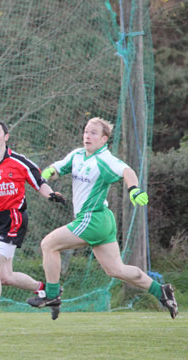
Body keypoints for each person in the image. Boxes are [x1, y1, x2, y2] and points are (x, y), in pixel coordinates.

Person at [27, 117, 178, 319]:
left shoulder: (104, 159)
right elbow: (57, 169)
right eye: (86, 132)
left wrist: (133, 190)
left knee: (48, 245)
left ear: (104, 139)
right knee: (115, 269)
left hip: (93, 219)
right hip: (103, 220)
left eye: (93, 133)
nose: (87, 136)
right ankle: (161, 291)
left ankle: (52, 295)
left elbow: (127, 171)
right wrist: (48, 172)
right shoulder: (78, 155)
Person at [0, 119, 66, 336]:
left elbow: (39, 182)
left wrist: (51, 195)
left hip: (15, 219)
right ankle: (46, 290)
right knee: (4, 276)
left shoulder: (19, 162)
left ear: (6, 137)